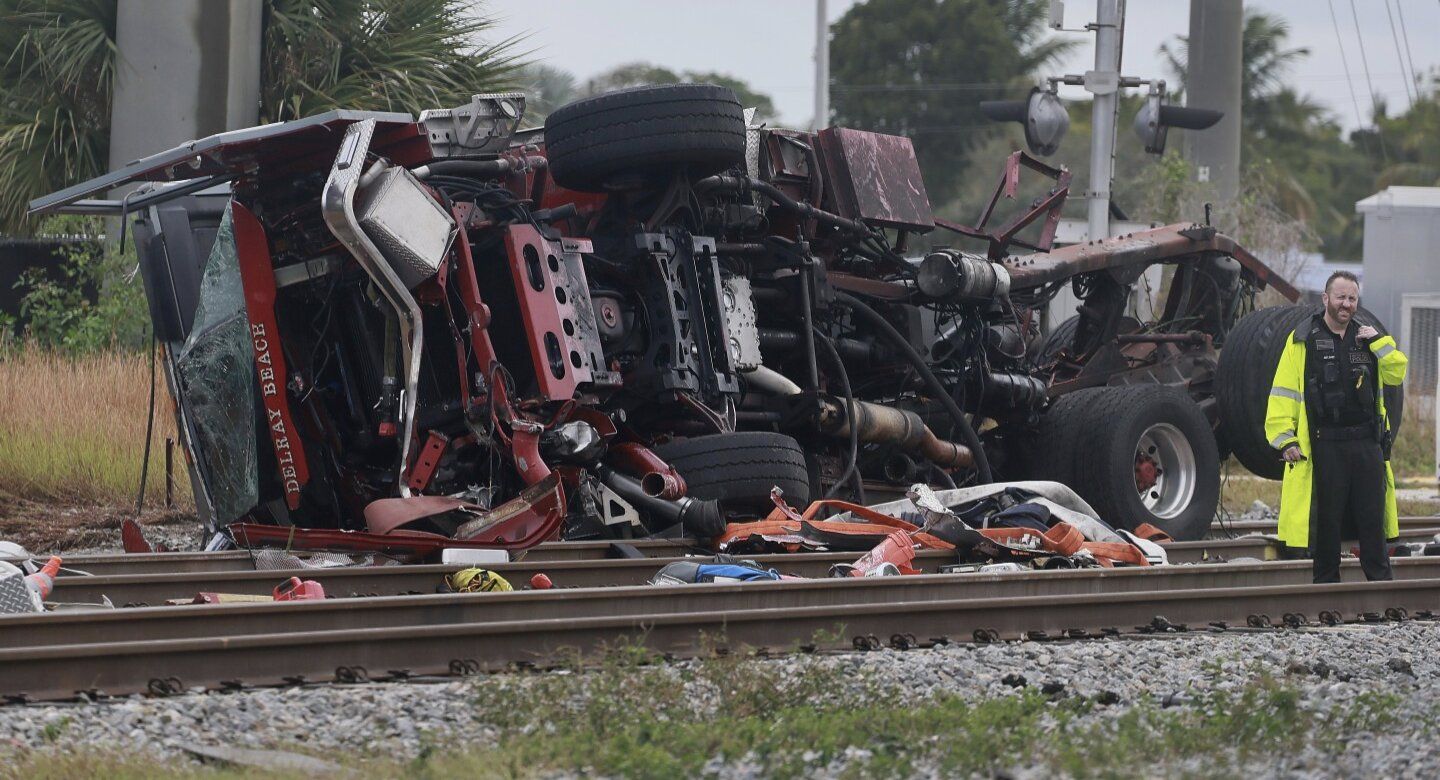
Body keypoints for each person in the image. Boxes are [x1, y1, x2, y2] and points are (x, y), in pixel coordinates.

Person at [1264, 271, 1407, 583]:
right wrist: (1285, 439)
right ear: (1326, 299)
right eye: (1341, 297)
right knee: (1326, 521)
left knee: (1373, 519)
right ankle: (1326, 586)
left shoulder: (1370, 338)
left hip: (1367, 443)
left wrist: (1380, 342)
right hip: (1324, 444)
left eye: (1352, 298)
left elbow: (1397, 372)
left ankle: (1382, 585)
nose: (1347, 304)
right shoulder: (1303, 339)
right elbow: (1283, 392)